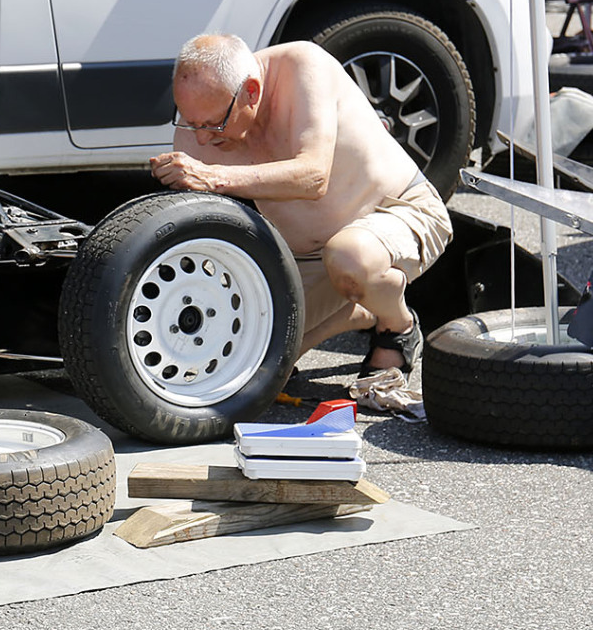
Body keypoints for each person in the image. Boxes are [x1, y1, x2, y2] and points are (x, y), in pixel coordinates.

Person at [149, 33, 452, 381]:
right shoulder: (201, 125)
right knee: (243, 362)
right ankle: (357, 310)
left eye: (212, 124)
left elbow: (313, 177)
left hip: (399, 211)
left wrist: (215, 177)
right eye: (191, 122)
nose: (202, 137)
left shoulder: (303, 66)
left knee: (350, 256)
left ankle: (397, 325)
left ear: (251, 92)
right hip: (308, 257)